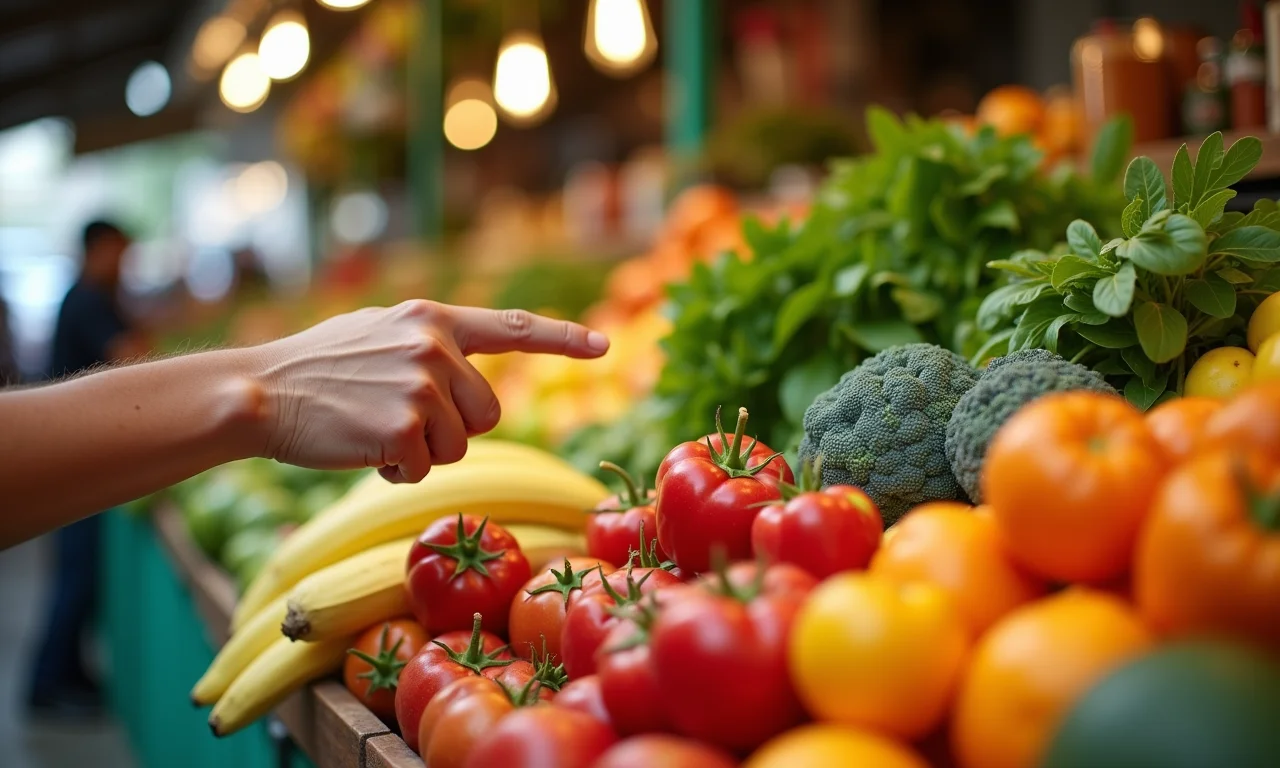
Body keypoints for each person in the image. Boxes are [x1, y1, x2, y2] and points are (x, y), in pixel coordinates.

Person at [25, 220, 150, 716]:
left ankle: (68, 676)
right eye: (119, 253)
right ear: (97, 250)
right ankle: (45, 685)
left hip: (74, 456)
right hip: (74, 460)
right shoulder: (88, 300)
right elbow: (129, 355)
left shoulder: (87, 296)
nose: (124, 263)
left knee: (79, 576)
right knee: (74, 578)